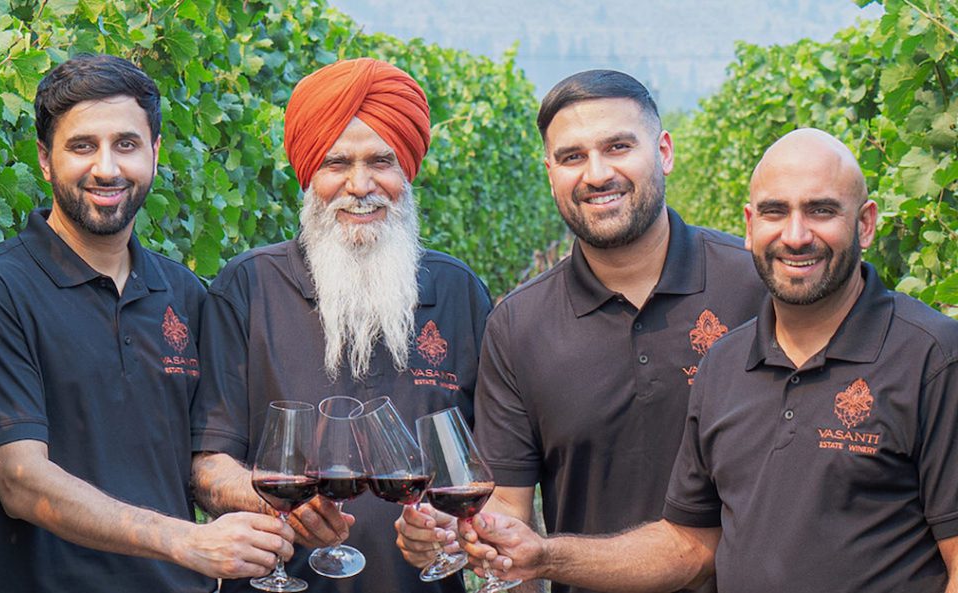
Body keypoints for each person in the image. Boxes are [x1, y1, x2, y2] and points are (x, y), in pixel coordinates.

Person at [457, 128, 958, 593]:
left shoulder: (932, 358)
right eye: (775, 211)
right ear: (749, 225)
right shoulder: (724, 362)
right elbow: (689, 544)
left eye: (822, 210)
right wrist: (544, 557)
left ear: (865, 223)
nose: (796, 235)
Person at [395, 70, 766, 593]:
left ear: (664, 151)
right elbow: (509, 511)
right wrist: (456, 534)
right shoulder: (518, 325)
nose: (596, 174)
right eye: (571, 157)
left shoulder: (757, 287)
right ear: (549, 173)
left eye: (618, 146)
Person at [0, 54, 293, 592]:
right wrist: (187, 541)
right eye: (83, 146)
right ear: (44, 159)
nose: (107, 168)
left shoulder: (186, 296)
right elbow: (20, 480)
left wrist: (295, 500)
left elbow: (204, 462)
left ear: (154, 153)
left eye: (126, 144)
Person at [190, 57, 492, 593]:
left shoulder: (458, 292)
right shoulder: (248, 287)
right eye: (336, 163)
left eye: (381, 161)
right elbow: (209, 467)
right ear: (309, 174)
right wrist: (273, 496)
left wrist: (451, 530)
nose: (359, 185)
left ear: (407, 172)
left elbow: (492, 467)